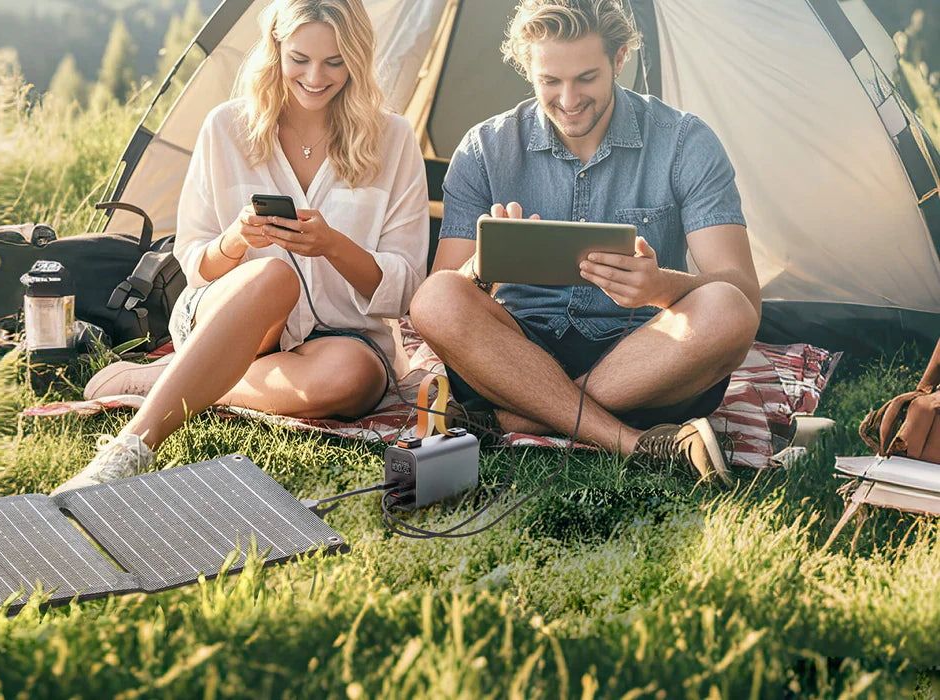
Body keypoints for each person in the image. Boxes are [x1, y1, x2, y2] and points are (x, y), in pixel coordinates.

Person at [53, 0, 429, 493]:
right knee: (275, 276)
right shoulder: (226, 127)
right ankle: (131, 447)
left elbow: (405, 288)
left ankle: (171, 380)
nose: (315, 77)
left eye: (334, 62)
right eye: (300, 59)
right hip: (235, 313)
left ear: (357, 59)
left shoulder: (393, 139)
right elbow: (195, 265)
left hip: (342, 335)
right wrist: (235, 240)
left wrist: (333, 246)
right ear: (275, 50)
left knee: (352, 381)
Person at [410, 0, 760, 486]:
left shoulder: (685, 142)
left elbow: (743, 290)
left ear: (619, 60)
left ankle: (511, 419)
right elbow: (443, 290)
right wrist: (482, 268)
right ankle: (632, 442)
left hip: (644, 355)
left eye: (587, 78)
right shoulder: (484, 148)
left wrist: (660, 287)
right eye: (550, 81)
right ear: (528, 69)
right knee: (436, 298)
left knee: (728, 309)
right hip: (515, 351)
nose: (569, 99)